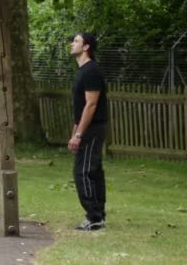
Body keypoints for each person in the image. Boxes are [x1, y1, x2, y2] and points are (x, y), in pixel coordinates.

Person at [68, 32, 108, 231]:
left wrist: (79, 134)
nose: (72, 44)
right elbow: (80, 107)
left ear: (86, 47)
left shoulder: (91, 71)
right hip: (86, 128)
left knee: (83, 172)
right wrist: (74, 132)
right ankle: (98, 215)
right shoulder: (82, 71)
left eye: (76, 41)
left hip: (93, 128)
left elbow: (91, 105)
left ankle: (94, 217)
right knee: (93, 171)